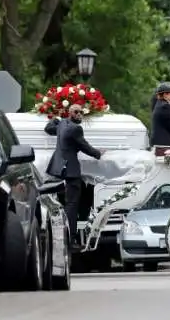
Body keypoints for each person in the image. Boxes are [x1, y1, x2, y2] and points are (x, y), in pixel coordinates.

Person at [45, 104, 104, 248]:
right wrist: (98, 153)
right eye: (76, 112)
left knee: (66, 202)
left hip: (59, 168)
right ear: (70, 113)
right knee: (72, 204)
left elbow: (48, 128)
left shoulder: (63, 124)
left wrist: (57, 117)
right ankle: (70, 238)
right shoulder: (76, 128)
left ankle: (65, 233)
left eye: (81, 112)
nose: (79, 115)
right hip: (70, 170)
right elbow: (84, 146)